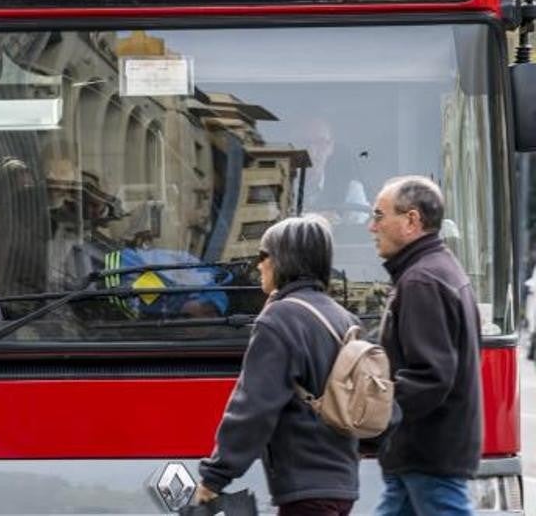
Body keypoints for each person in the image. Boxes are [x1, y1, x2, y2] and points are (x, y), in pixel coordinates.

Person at [193, 215, 360, 515]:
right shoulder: (344, 318)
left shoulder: (280, 319)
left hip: (305, 487)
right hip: (342, 484)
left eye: (263, 255)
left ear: (285, 259)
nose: (258, 265)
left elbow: (253, 408)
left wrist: (214, 477)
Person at [368, 176, 480, 516]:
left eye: (379, 216)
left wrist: (373, 418)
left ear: (411, 221)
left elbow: (430, 376)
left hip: (427, 453)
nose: (372, 227)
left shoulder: (421, 281)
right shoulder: (432, 271)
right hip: (420, 452)